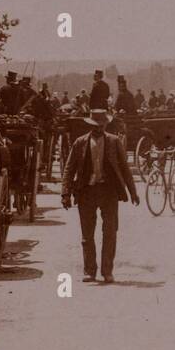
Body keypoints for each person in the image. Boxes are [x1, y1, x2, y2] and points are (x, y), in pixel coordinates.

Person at [61, 110, 138, 282]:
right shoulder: (80, 143)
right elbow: (69, 168)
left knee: (110, 232)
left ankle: (107, 271)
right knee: (87, 235)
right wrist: (65, 192)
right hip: (86, 192)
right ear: (90, 125)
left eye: (102, 125)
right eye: (96, 126)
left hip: (108, 191)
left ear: (106, 125)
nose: (99, 128)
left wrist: (133, 192)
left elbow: (124, 168)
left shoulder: (114, 141)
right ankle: (89, 271)